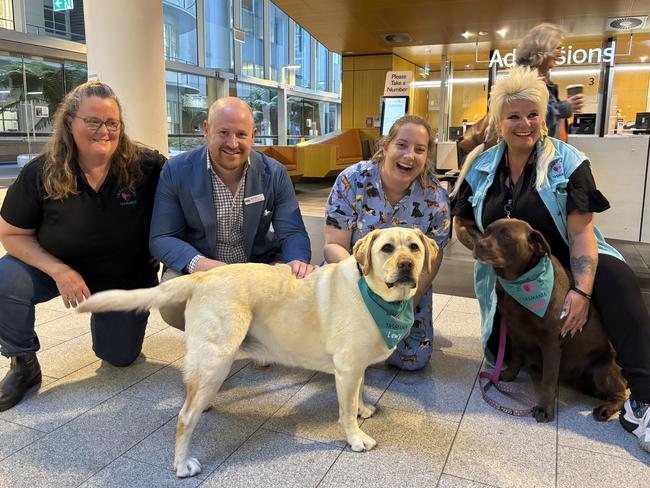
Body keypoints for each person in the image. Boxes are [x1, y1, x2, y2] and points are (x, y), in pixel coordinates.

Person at [451, 66, 650, 453]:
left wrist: (582, 291)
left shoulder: (569, 162)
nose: (524, 123)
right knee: (502, 351)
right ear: (498, 120)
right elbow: (461, 222)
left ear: (544, 117)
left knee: (621, 281)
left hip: (568, 253)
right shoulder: (480, 166)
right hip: (513, 268)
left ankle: (643, 398)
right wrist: (483, 248)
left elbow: (581, 234)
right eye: (513, 116)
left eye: (532, 114)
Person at [0, 81, 165, 411]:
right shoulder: (41, 172)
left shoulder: (148, 166)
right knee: (6, 277)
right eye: (92, 121)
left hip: (126, 277)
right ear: (69, 123)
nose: (103, 130)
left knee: (119, 357)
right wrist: (60, 271)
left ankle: (106, 323)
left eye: (112, 122)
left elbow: (183, 203)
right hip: (59, 268)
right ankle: (22, 362)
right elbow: (11, 234)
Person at [150, 97, 316, 330]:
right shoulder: (176, 171)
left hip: (257, 266)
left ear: (253, 135)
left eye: (241, 134)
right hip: (206, 268)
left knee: (297, 290)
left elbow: (292, 231)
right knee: (171, 299)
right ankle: (224, 330)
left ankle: (256, 330)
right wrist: (202, 264)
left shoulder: (274, 173)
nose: (232, 143)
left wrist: (297, 262)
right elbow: (162, 237)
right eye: (224, 132)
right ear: (207, 130)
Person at [324, 115, 450, 370]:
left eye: (420, 149)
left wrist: (406, 305)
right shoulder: (352, 180)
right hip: (353, 279)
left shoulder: (436, 198)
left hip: (405, 288)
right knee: (333, 356)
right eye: (401, 145)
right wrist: (366, 294)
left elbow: (433, 259)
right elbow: (332, 246)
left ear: (427, 157)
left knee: (412, 361)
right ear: (386, 146)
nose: (409, 155)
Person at [516, 22, 584, 141]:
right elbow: (527, 122)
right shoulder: (526, 80)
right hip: (537, 155)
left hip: (548, 152)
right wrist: (564, 107)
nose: (561, 54)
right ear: (543, 48)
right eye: (558, 48)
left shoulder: (543, 80)